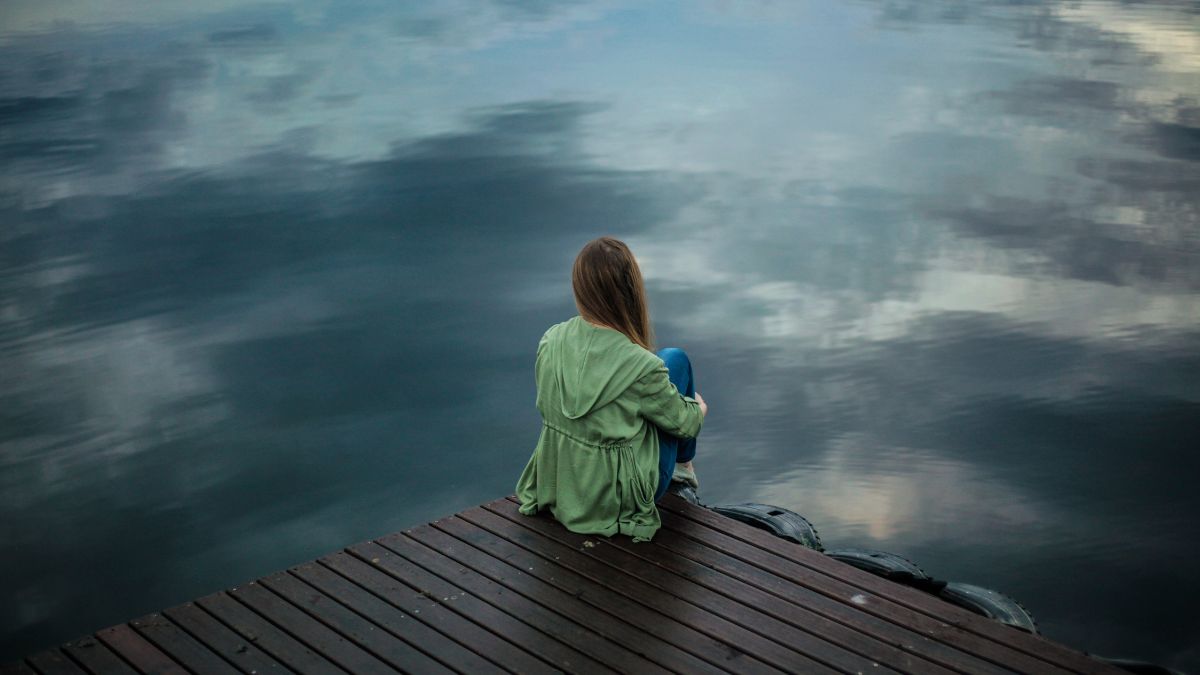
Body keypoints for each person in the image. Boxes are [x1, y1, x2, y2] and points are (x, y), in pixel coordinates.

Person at [515, 237, 707, 542]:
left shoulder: (550, 341)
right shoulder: (642, 366)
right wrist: (698, 407)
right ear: (631, 291)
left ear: (579, 288)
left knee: (664, 367)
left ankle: (680, 468)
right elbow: (688, 424)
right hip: (616, 499)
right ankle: (683, 470)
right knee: (675, 359)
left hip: (564, 484)